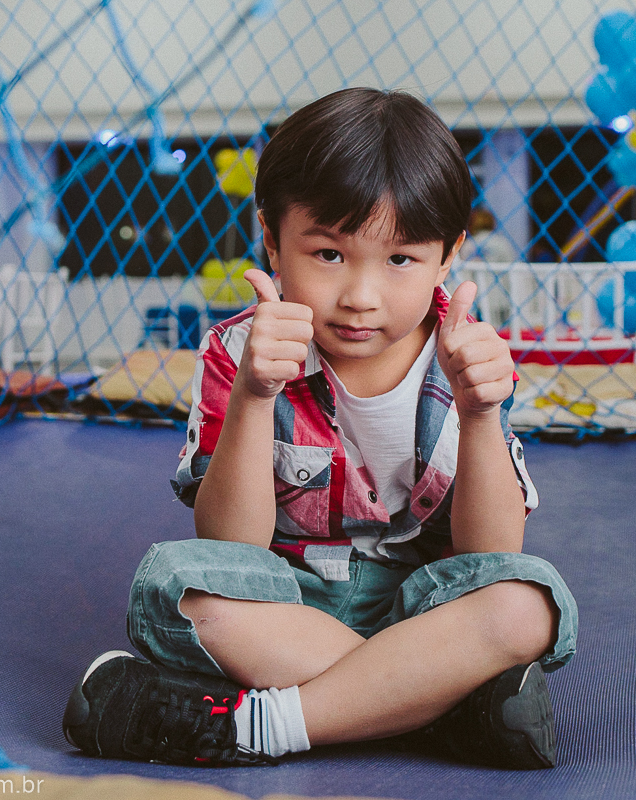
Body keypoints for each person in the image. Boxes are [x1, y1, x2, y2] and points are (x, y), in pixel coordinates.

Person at [62, 88, 578, 770]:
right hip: (288, 605)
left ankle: (264, 725)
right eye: (330, 254)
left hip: (423, 610)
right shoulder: (238, 351)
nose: (360, 297)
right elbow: (230, 545)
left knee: (528, 603)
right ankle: (437, 706)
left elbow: (491, 554)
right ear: (272, 239)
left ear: (448, 254)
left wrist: (481, 415)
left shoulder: (466, 355)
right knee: (173, 588)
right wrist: (254, 395)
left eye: (400, 260)